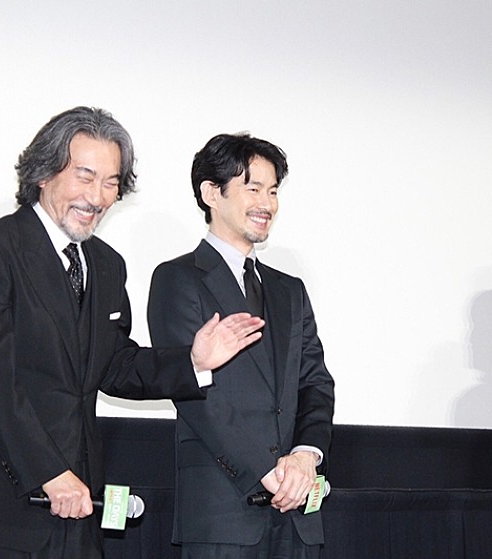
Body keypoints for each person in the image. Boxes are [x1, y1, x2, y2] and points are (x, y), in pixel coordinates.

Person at [0, 107, 263, 559]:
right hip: (5, 510)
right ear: (43, 173)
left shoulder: (106, 264)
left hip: (80, 503)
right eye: (85, 176)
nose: (97, 197)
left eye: (111, 182)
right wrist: (50, 473)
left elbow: (115, 365)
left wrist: (192, 362)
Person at [147, 133, 335, 559]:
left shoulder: (290, 290)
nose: (266, 203)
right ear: (211, 193)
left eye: (273, 191)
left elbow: (315, 383)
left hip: (298, 508)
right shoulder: (178, 278)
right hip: (222, 511)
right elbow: (194, 392)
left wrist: (305, 456)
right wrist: (264, 469)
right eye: (253, 189)